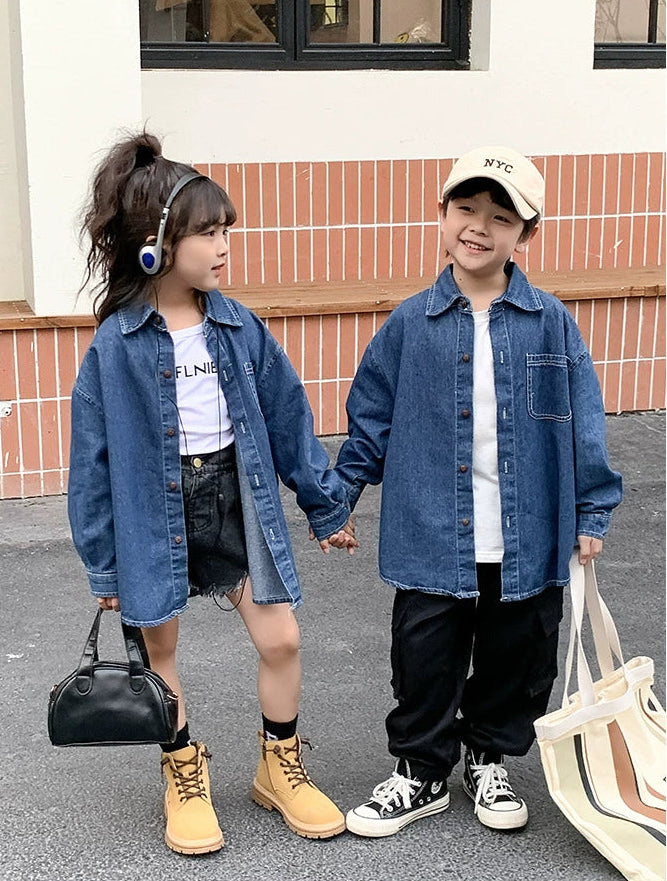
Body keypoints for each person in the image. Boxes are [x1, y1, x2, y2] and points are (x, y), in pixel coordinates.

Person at [68, 132, 357, 855]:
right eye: (208, 231)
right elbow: (92, 463)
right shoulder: (116, 345)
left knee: (281, 636)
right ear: (155, 242)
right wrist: (104, 567)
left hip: (235, 498)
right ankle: (183, 770)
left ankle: (278, 765)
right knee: (158, 651)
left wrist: (323, 504)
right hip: (152, 508)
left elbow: (288, 415)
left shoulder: (236, 323)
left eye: (226, 228)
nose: (224, 244)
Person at [331, 145, 622, 837]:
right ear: (441, 214)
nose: (478, 227)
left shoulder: (549, 321)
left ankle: (486, 755)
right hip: (431, 528)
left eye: (500, 216)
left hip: (526, 533)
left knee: (514, 658)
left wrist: (590, 506)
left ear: (526, 233)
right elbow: (368, 420)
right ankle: (420, 772)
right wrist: (335, 501)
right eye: (465, 208)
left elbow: (578, 417)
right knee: (423, 657)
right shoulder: (408, 323)